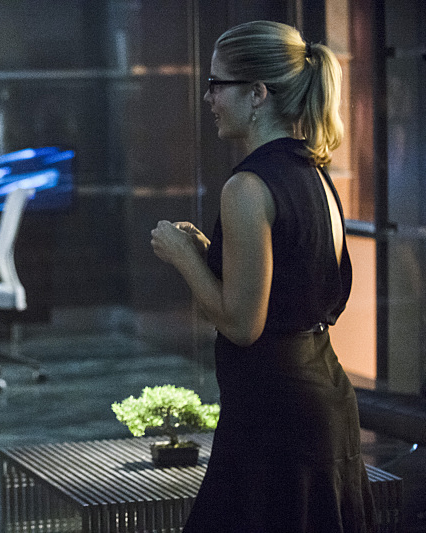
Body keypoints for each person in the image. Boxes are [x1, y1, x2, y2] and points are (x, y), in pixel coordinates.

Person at [151, 21, 377, 532]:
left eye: (217, 84)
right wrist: (208, 251)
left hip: (275, 417)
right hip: (323, 402)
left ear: (257, 93)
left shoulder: (247, 186)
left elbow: (242, 324)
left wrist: (182, 257)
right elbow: (294, 287)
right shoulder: (315, 173)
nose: (208, 97)